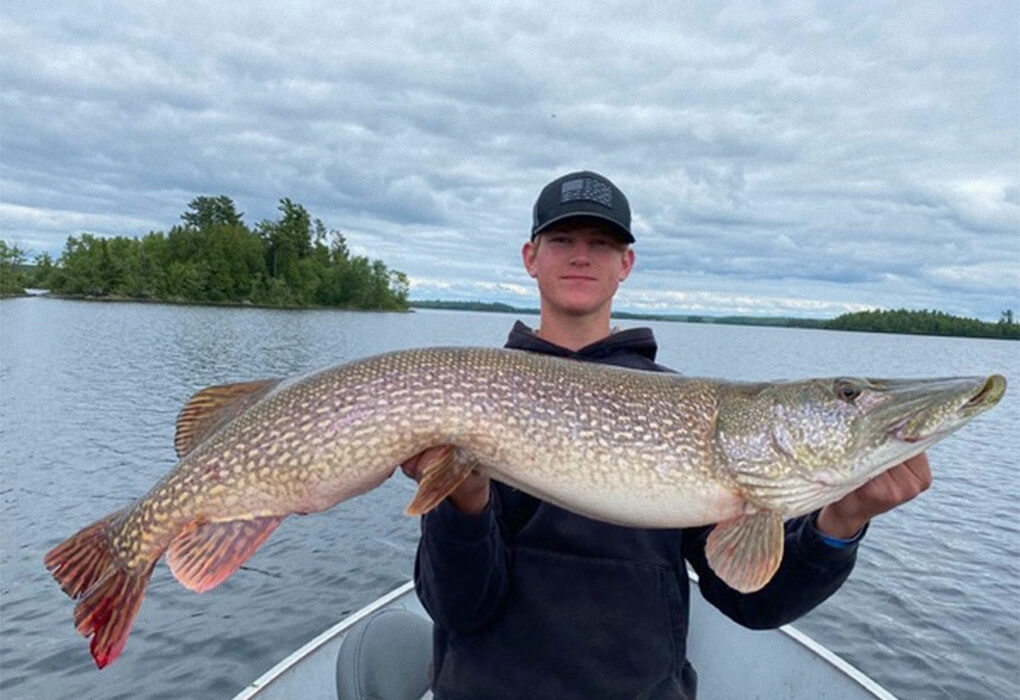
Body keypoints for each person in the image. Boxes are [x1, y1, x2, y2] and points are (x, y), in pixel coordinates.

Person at [402, 170, 931, 699]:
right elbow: (459, 607)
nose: (581, 255)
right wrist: (464, 505)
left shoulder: (689, 411)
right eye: (562, 240)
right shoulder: (476, 393)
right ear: (530, 257)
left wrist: (840, 521)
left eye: (602, 243)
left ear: (626, 263)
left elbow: (754, 600)